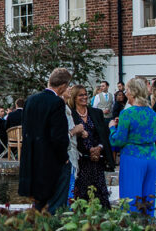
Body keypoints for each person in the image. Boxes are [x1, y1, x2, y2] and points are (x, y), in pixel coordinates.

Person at [18, 68, 74, 214]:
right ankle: (54, 229)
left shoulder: (31, 100)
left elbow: (26, 129)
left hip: (32, 157)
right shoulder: (56, 102)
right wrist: (64, 158)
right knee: (56, 201)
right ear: (62, 86)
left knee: (38, 201)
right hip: (50, 159)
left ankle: (36, 228)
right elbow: (58, 136)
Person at [109, 77, 156, 217]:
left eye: (126, 90)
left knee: (131, 196)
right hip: (151, 156)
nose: (125, 93)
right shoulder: (152, 113)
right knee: (148, 195)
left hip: (133, 157)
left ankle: (132, 228)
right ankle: (149, 227)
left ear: (132, 92)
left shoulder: (127, 113)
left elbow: (118, 141)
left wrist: (112, 128)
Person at [66, 84, 113, 209]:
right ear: (74, 97)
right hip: (81, 159)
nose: (84, 97)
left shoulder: (96, 113)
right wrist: (89, 150)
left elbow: (104, 134)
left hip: (97, 159)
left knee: (100, 192)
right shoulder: (71, 114)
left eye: (86, 94)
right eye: (81, 95)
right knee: (82, 193)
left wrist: (99, 148)